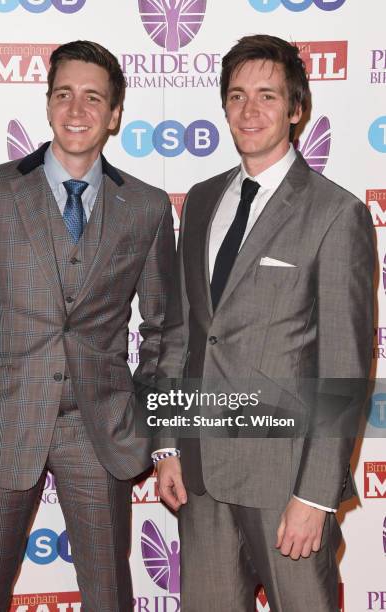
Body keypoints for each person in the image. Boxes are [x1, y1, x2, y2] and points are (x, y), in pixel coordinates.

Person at [0, 40, 175, 612]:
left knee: (109, 597)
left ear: (114, 115)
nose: (76, 110)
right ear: (47, 103)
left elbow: (164, 332)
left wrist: (149, 429)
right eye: (64, 94)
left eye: (93, 98)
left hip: (100, 431)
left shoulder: (146, 207)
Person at [153, 34, 374, 611]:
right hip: (199, 478)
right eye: (237, 96)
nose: (249, 111)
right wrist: (167, 445)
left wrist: (316, 496)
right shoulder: (200, 200)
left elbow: (344, 369)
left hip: (286, 484)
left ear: (296, 109)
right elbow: (184, 335)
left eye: (268, 96)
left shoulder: (336, 213)